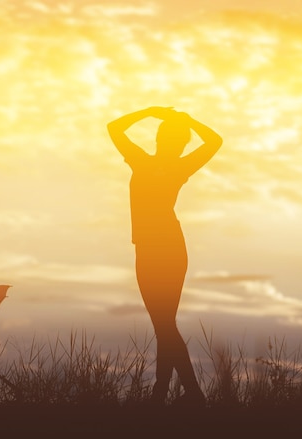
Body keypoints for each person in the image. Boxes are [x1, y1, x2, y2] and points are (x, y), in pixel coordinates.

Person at [107, 106, 222, 406]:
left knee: (163, 324)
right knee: (164, 323)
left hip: (158, 247)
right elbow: (214, 141)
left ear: (161, 139)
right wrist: (188, 120)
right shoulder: (171, 165)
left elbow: (114, 128)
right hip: (162, 246)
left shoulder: (144, 161)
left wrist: (150, 111)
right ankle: (162, 393)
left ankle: (192, 394)